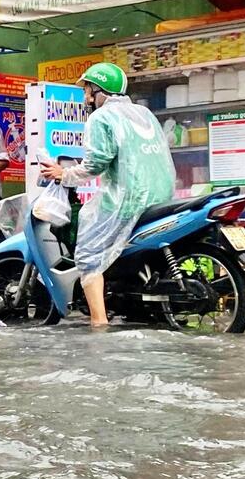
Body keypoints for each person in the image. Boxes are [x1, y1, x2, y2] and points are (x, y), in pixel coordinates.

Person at [39, 63, 173, 328]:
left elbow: (95, 165)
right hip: (162, 195)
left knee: (88, 252)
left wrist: (63, 174)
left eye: (88, 90)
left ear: (100, 90)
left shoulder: (101, 118)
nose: (87, 97)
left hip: (129, 198)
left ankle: (99, 322)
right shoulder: (143, 113)